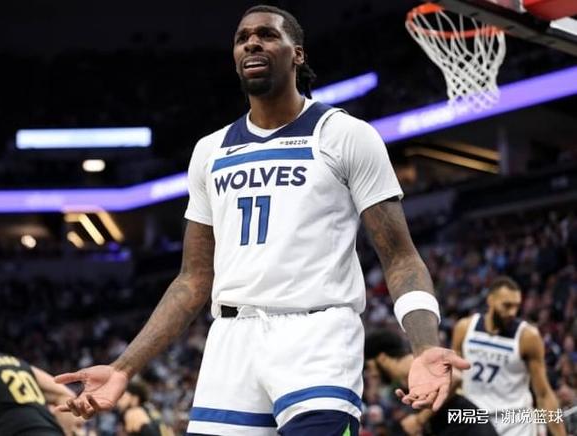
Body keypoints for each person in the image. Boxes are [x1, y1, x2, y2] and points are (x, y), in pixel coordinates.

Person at [55, 5, 469, 435]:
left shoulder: (345, 135)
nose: (252, 42)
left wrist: (424, 346)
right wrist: (123, 368)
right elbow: (192, 280)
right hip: (231, 341)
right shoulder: (210, 151)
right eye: (242, 38)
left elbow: (400, 257)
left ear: (297, 54)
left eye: (267, 35)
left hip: (317, 334)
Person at [452, 276, 566, 436]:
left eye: (516, 306)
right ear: (490, 300)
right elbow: (452, 379)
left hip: (515, 424)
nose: (513, 312)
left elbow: (544, 394)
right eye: (507, 305)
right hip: (475, 421)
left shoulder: (528, 337)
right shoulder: (465, 328)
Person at [364, 329, 498, 436]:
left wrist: (419, 420)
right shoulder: (402, 378)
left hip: (469, 427)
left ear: (382, 358)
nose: (372, 373)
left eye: (370, 366)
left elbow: (455, 377)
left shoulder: (411, 364)